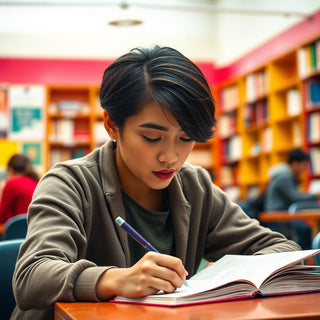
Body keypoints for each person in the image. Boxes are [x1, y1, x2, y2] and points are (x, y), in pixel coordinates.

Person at [11, 46, 300, 320]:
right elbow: (31, 277)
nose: (171, 157)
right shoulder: (70, 183)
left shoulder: (195, 186)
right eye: (152, 137)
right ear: (112, 124)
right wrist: (115, 279)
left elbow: (282, 249)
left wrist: (227, 275)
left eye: (186, 138)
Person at [264, 148, 320, 249]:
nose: (305, 168)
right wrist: (316, 195)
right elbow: (295, 197)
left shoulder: (288, 177)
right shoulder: (285, 177)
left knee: (306, 227)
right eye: (303, 164)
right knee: (305, 229)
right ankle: (305, 257)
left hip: (284, 213)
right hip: (278, 216)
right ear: (295, 163)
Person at [0, 153, 39, 224]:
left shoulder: (12, 183)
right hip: (35, 230)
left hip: (18, 232)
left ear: (10, 170)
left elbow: (1, 217)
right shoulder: (36, 182)